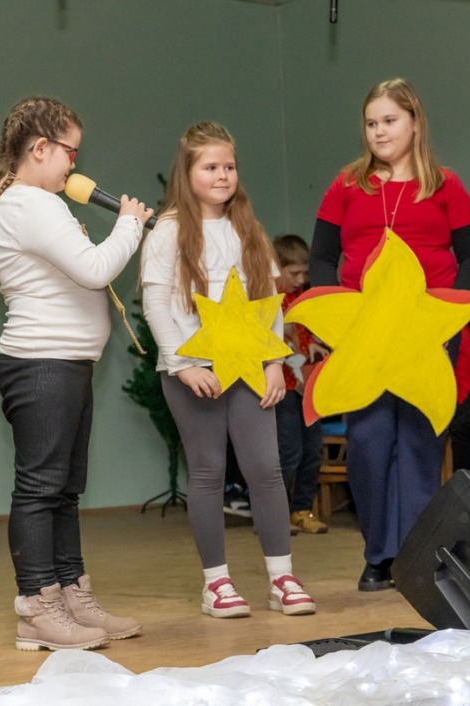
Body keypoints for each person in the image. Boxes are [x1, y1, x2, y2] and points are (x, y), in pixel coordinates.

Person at [0, 96, 151, 651]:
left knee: (65, 491)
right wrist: (129, 224)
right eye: (70, 152)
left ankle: (72, 596)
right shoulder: (30, 203)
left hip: (65, 364)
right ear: (40, 148)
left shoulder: (34, 203)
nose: (75, 164)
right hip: (42, 364)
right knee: (40, 489)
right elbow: (95, 269)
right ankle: (37, 608)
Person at [309, 78, 470, 591]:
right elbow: (322, 257)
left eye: (389, 120)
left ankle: (412, 553)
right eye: (371, 123)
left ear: (414, 122)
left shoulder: (445, 185)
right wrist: (336, 319)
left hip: (426, 337)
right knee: (368, 441)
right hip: (364, 338)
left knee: (419, 443)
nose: (379, 131)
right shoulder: (346, 185)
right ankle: (378, 553)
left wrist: (446, 317)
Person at [142, 121, 315, 619]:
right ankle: (216, 584)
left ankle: (282, 578)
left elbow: (268, 301)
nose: (222, 176)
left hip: (250, 365)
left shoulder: (249, 229)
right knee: (208, 470)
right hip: (195, 370)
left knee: (266, 468)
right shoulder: (168, 232)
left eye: (229, 166)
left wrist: (275, 362)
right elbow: (156, 306)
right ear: (187, 172)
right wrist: (182, 366)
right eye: (210, 167)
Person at [273, 234, 328, 534]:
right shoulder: (270, 301)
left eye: (305, 274)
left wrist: (315, 346)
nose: (301, 280)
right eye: (294, 273)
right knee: (289, 451)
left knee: (312, 451)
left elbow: (308, 338)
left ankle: (302, 509)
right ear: (277, 268)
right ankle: (274, 513)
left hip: (307, 387)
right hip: (283, 387)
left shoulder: (304, 299)